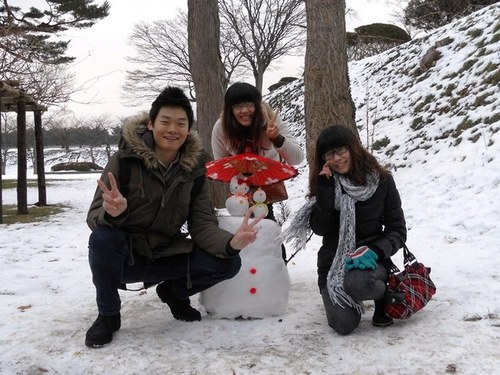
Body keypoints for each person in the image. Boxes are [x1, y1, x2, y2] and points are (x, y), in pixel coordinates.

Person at [85, 86, 263, 348]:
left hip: (167, 253)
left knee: (229, 263)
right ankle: (108, 314)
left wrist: (230, 244)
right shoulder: (124, 161)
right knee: (102, 238)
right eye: (165, 122)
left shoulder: (195, 167)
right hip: (127, 258)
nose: (172, 129)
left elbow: (202, 222)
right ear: (150, 124)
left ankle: (174, 292)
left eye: (180, 123)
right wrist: (114, 213)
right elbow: (93, 217)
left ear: (188, 129)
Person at [308, 124, 407, 335]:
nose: (337, 158)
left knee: (358, 282)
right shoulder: (326, 182)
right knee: (343, 325)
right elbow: (319, 229)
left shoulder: (382, 181)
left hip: (371, 261)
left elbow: (397, 230)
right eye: (329, 154)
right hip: (334, 263)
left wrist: (376, 251)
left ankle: (382, 295)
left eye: (341, 150)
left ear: (354, 148)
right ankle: (345, 295)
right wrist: (324, 190)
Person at [211, 82, 304, 260]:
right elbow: (220, 162)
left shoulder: (270, 121)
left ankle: (275, 264)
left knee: (265, 221)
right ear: (230, 109)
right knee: (240, 223)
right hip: (240, 187)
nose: (245, 110)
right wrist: (240, 172)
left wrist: (276, 138)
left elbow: (297, 158)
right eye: (238, 106)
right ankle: (244, 266)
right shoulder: (221, 128)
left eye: (250, 104)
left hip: (266, 184)